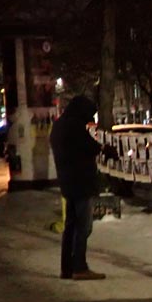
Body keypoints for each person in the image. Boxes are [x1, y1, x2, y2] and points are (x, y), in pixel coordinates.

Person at [50, 95, 105, 281]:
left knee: (70, 226)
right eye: (89, 115)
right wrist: (103, 149)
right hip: (80, 183)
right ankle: (79, 267)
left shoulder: (59, 126)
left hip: (67, 183)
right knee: (83, 226)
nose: (90, 120)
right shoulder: (75, 127)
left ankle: (66, 268)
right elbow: (88, 147)